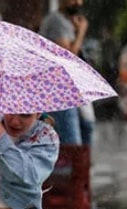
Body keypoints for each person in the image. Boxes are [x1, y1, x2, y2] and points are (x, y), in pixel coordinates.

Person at [39, 0, 88, 145]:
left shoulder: (68, 21)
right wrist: (81, 32)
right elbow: (68, 57)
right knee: (72, 141)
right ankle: (76, 166)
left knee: (86, 127)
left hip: (67, 89)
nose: (78, 3)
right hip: (58, 90)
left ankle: (79, 165)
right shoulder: (57, 21)